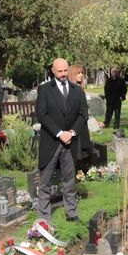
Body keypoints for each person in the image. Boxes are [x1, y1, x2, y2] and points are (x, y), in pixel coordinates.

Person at [36, 58, 88, 222]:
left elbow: (82, 114)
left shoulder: (77, 90)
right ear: (53, 71)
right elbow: (41, 114)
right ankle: (44, 217)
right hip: (51, 141)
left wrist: (71, 132)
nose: (64, 74)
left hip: (70, 142)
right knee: (45, 181)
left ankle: (71, 213)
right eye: (60, 71)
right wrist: (59, 133)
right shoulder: (44, 89)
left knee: (69, 180)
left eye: (66, 70)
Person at [68, 65, 94, 165]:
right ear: (72, 74)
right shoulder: (73, 90)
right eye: (78, 73)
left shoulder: (79, 89)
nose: (81, 75)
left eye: (82, 73)